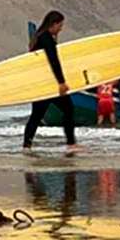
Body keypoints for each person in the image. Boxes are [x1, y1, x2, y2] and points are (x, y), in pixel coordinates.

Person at [22, 11, 79, 154]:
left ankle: (26, 146)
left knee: (36, 115)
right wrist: (61, 82)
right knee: (68, 109)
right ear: (53, 24)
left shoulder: (39, 38)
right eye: (60, 25)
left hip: (41, 83)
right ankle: (71, 145)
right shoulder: (46, 38)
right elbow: (53, 60)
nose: (61, 28)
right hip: (49, 84)